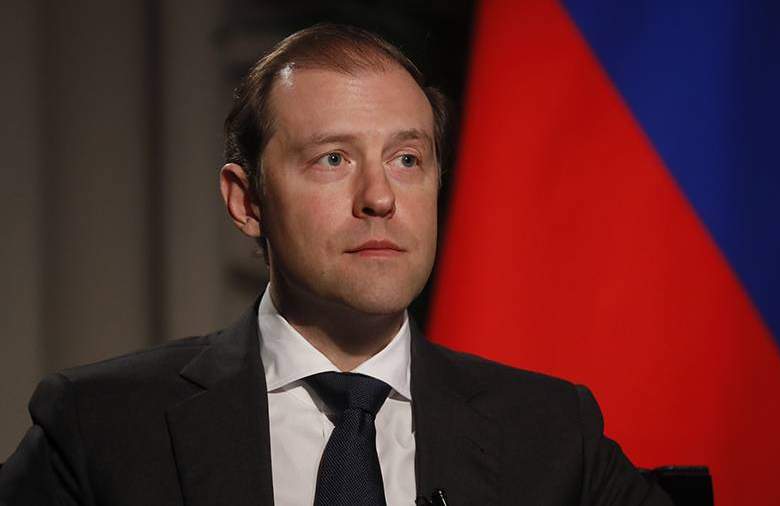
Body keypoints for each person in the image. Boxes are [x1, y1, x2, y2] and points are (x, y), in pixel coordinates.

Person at [0, 24, 672, 506]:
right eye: (333, 159)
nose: (380, 197)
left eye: (406, 159)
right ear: (247, 201)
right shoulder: (101, 428)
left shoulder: (552, 434)